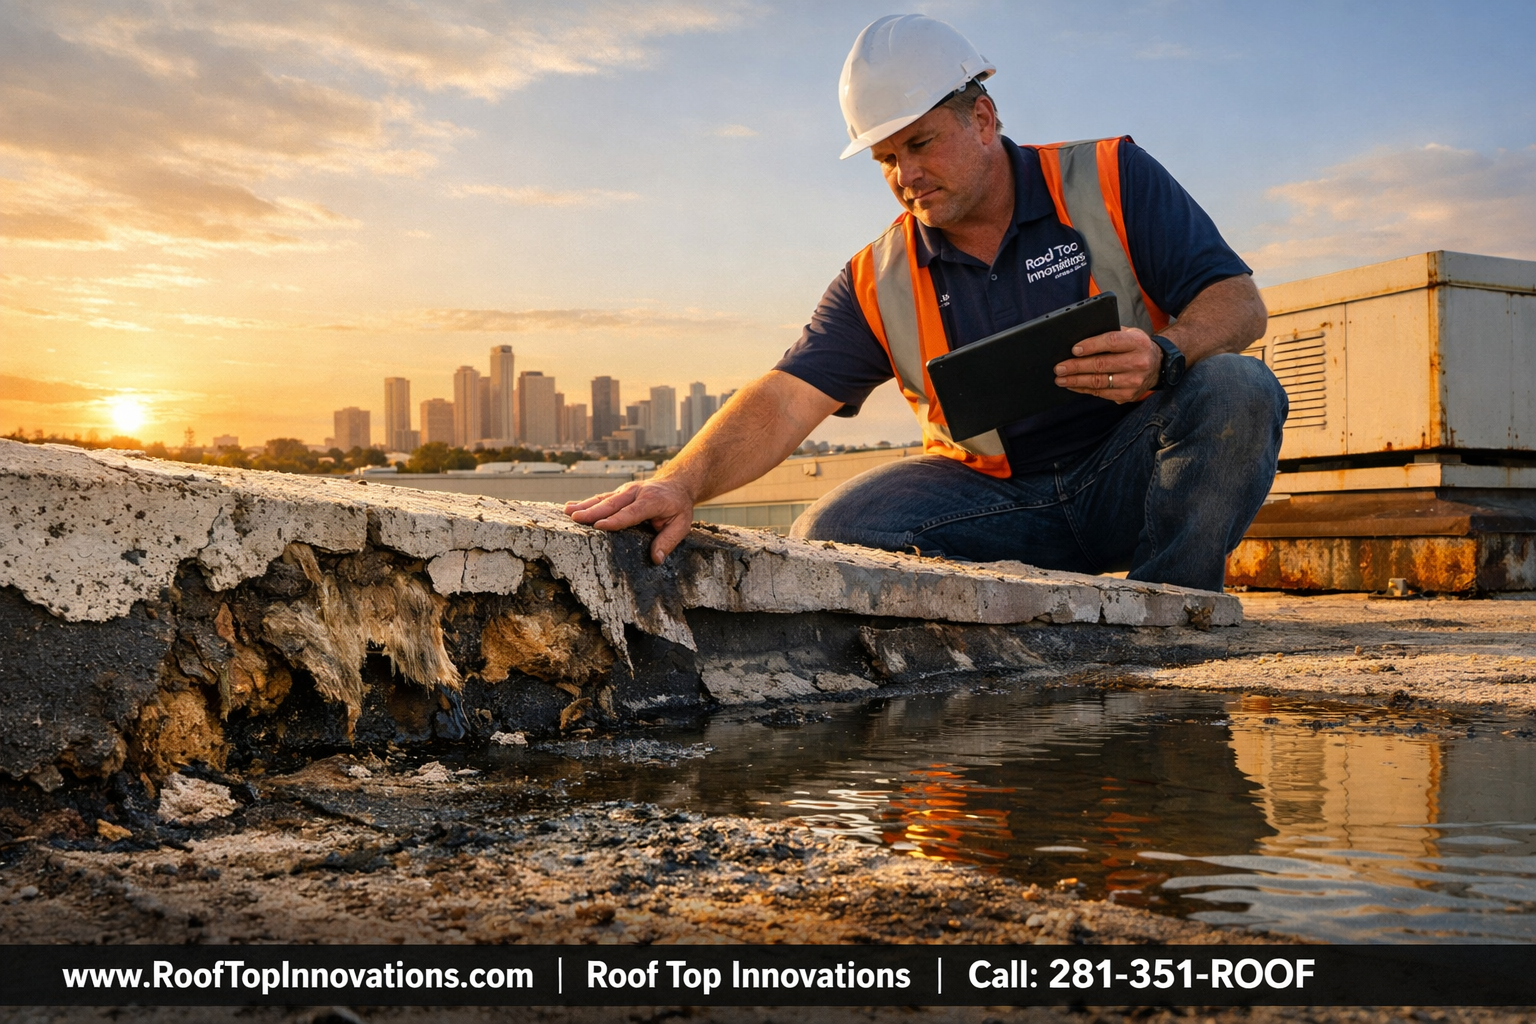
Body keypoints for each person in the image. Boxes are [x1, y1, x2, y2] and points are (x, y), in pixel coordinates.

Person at [568, 14, 1287, 593]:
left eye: (920, 144)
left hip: (1132, 479)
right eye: (885, 159)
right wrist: (678, 482)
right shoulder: (875, 277)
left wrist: (1168, 353)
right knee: (833, 531)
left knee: (1238, 386)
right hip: (995, 506)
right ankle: (1023, 616)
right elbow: (786, 400)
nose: (907, 175)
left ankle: (1177, 615)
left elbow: (1238, 303)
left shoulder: (1109, 176)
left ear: (982, 117)